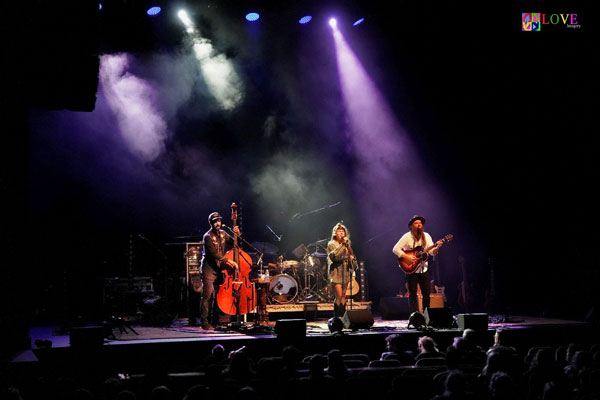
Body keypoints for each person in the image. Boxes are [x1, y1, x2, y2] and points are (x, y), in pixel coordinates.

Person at [195, 211, 239, 330]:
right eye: (215, 222)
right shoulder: (207, 236)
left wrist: (237, 235)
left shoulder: (224, 234)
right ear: (211, 223)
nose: (217, 223)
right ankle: (204, 322)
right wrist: (229, 261)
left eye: (219, 221)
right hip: (208, 270)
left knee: (217, 296)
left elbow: (236, 244)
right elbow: (213, 253)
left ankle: (215, 321)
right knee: (207, 296)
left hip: (219, 269)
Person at [393, 215, 444, 314]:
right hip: (411, 269)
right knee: (412, 294)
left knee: (426, 293)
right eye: (416, 223)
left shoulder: (427, 236)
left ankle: (426, 315)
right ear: (411, 226)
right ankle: (415, 315)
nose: (419, 225)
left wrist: (437, 247)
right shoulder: (407, 236)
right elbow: (395, 249)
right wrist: (407, 257)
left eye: (420, 223)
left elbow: (432, 252)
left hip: (423, 269)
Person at [326, 222, 357, 318]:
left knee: (344, 295)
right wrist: (342, 245)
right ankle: (336, 317)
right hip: (336, 271)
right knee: (339, 295)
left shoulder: (347, 244)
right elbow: (335, 256)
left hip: (345, 270)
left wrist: (350, 255)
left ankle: (343, 317)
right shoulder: (331, 244)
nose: (341, 233)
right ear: (335, 233)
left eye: (342, 231)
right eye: (339, 231)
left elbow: (351, 255)